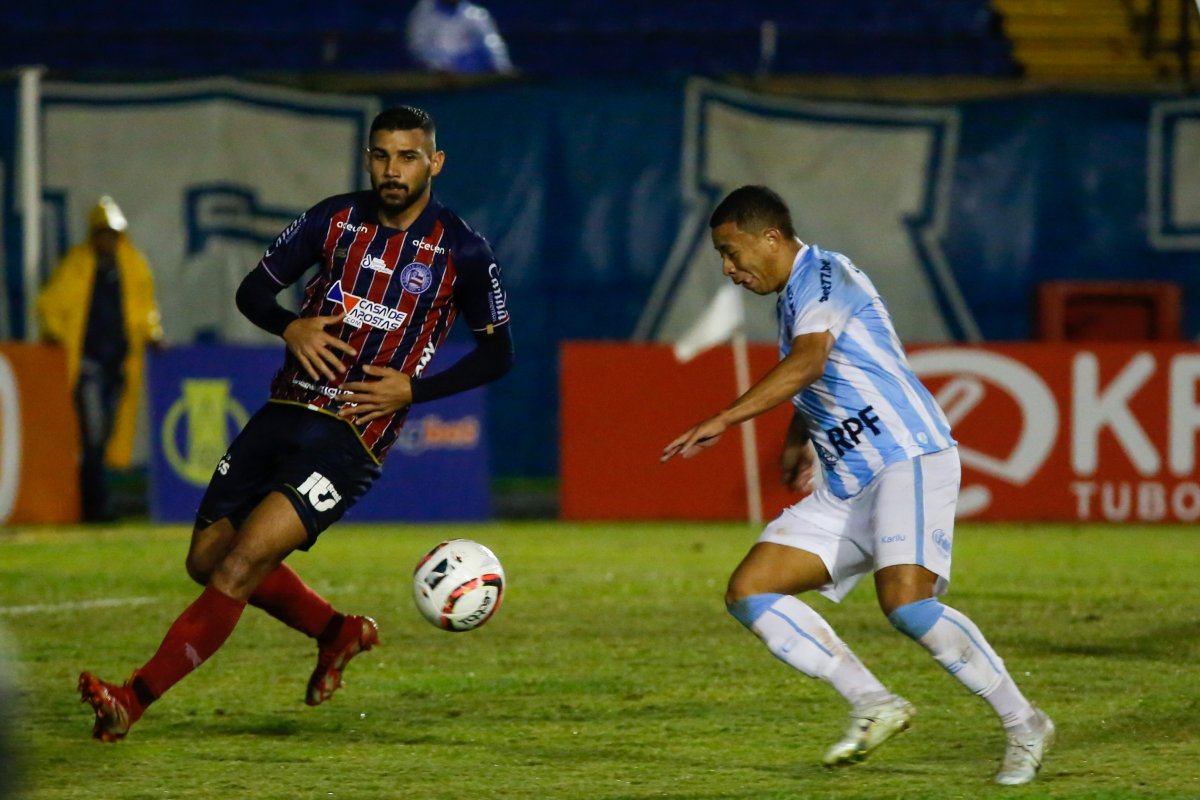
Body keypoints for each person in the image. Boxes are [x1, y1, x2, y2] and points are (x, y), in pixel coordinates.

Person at [78, 105, 515, 741]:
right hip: (284, 411)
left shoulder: (464, 252)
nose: (393, 170)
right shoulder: (331, 218)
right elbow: (252, 291)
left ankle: (132, 700)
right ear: (369, 158)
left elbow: (498, 352)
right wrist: (289, 324)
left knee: (238, 569)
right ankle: (338, 632)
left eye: (409, 157)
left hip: (351, 436)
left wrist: (414, 390)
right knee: (206, 560)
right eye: (382, 155)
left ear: (435, 163)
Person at [661, 185, 1054, 786]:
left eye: (731, 251)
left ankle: (1024, 723)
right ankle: (875, 703)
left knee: (907, 602)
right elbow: (818, 371)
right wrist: (798, 438)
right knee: (752, 591)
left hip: (906, 457)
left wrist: (725, 416)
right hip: (848, 484)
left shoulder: (823, 274)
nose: (728, 268)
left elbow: (810, 362)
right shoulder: (793, 298)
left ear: (770, 236)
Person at [38, 196, 163, 523]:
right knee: (93, 434)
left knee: (106, 436)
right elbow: (51, 303)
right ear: (93, 235)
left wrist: (153, 333)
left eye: (112, 234)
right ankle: (93, 505)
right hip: (89, 364)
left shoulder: (132, 266)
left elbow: (145, 308)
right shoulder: (77, 266)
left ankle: (96, 502)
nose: (107, 240)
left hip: (119, 365)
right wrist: (52, 331)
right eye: (102, 233)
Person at [406, 0, 515, 75]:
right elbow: (417, 46)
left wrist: (504, 69)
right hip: (432, 77)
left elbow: (493, 46)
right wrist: (439, 68)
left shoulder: (475, 15)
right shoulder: (423, 13)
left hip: (470, 78)